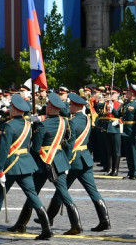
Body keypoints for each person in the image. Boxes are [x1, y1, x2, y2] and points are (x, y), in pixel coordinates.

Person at [0, 94, 51, 241]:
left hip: (10, 166)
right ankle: (46, 228)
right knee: (33, 197)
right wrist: (0, 134)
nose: (9, 109)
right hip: (25, 163)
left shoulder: (9, 126)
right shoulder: (27, 124)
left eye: (11, 107)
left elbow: (4, 151)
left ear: (15, 109)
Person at [6, 92, 83, 236]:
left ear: (51, 107)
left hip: (43, 162)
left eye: (48, 104)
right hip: (58, 160)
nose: (46, 106)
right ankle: (76, 224)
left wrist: (35, 131)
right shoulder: (64, 121)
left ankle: (22, 224)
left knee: (33, 193)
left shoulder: (43, 125)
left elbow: (35, 148)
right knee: (64, 194)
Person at [43, 92, 111, 232]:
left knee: (61, 190)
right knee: (93, 191)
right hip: (85, 159)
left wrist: (65, 162)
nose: (69, 107)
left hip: (74, 161)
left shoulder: (72, 122)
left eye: (70, 105)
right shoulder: (86, 118)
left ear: (75, 106)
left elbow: (70, 144)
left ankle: (50, 218)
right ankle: (105, 220)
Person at [121, 84, 136, 180]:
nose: (127, 93)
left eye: (129, 92)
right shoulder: (127, 104)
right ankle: (130, 172)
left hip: (133, 132)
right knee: (129, 154)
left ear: (133, 94)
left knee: (135, 153)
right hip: (127, 131)